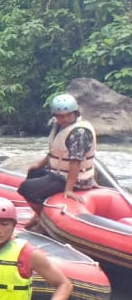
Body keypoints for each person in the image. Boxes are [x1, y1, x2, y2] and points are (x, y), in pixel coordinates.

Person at [19, 93, 98, 224]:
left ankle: (42, 219)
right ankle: (40, 212)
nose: (65, 119)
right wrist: (39, 165)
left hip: (76, 180)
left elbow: (75, 163)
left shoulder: (79, 132)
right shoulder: (60, 126)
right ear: (55, 116)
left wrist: (69, 189)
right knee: (33, 173)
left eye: (69, 115)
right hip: (59, 174)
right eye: (60, 116)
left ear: (76, 113)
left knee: (26, 188)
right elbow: (56, 152)